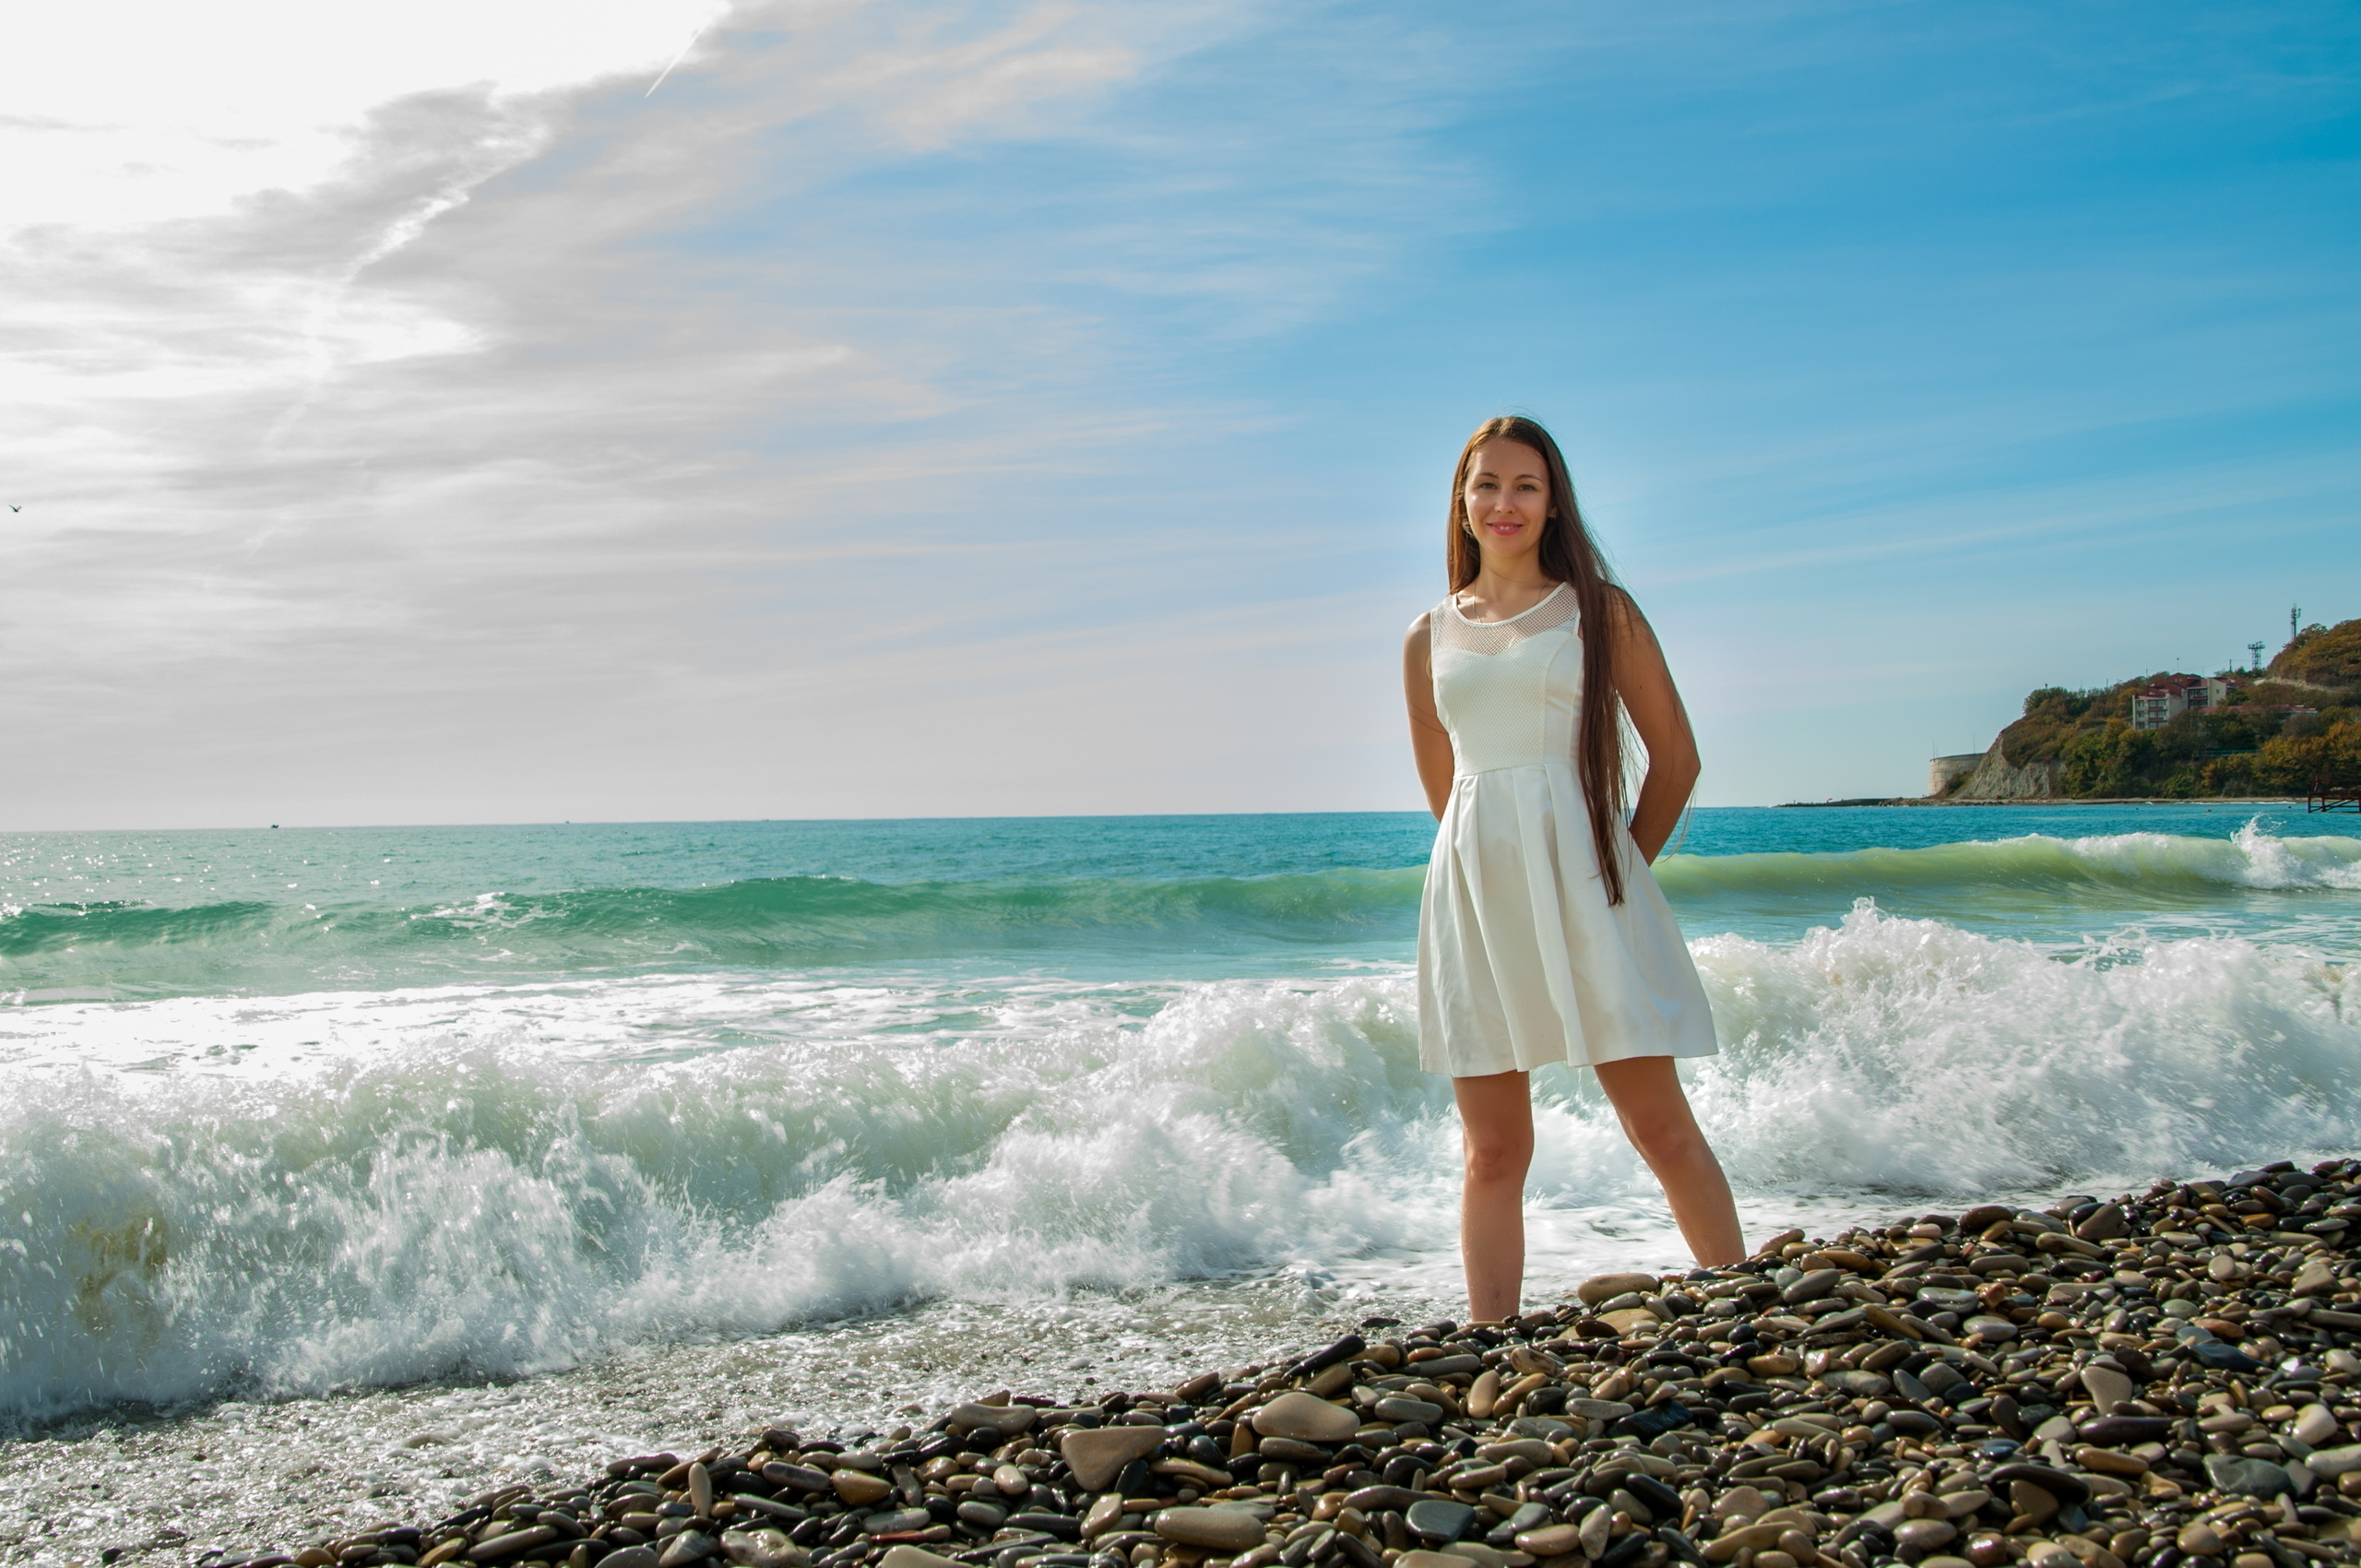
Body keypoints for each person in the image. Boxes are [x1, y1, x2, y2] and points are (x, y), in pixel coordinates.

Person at [1402, 415, 1743, 1322]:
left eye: (1525, 485)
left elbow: (1676, 760)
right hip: (1472, 898)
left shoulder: (1602, 611)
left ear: (1552, 503)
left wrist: (1614, 873)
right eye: (1487, 484)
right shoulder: (1424, 636)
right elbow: (1451, 797)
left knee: (1658, 1122)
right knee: (1493, 1148)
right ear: (1462, 503)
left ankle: (1741, 1302)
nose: (1504, 502)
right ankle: (1490, 1342)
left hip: (1592, 884)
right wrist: (1492, 884)